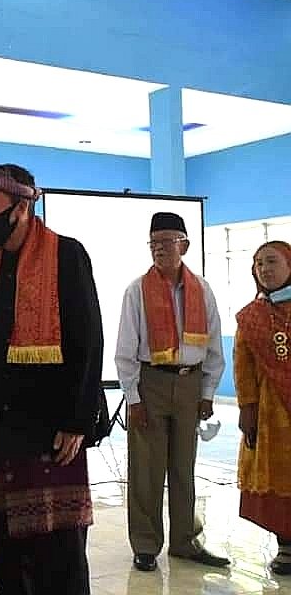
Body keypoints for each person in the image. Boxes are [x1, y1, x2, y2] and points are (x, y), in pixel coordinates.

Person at [0, 162, 103, 595]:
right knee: (7, 548)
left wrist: (77, 421)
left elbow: (88, 339)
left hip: (53, 426)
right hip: (6, 424)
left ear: (21, 206)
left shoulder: (67, 255)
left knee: (58, 548)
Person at [115, 211, 228, 571]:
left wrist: (207, 391)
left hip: (190, 383)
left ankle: (184, 541)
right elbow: (125, 350)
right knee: (146, 470)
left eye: (166, 241)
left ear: (185, 245)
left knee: (184, 468)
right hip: (151, 383)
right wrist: (133, 398)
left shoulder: (202, 290)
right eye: (154, 243)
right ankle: (146, 545)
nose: (159, 249)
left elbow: (213, 345)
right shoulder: (137, 290)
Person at [234, 240, 291, 574]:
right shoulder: (250, 316)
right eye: (258, 264)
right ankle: (286, 544)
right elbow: (242, 367)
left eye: (272, 261)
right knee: (278, 476)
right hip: (272, 415)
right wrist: (248, 408)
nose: (264, 269)